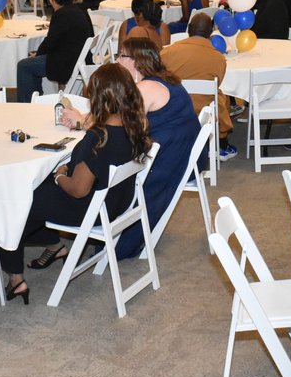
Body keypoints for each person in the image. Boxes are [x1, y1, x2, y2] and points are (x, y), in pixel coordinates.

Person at [0, 63, 153, 300]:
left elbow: (78, 189)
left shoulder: (98, 138)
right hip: (118, 202)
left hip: (89, 207)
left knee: (15, 200)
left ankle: (15, 277)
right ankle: (53, 245)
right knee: (34, 194)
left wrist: (59, 176)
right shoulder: (135, 127)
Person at [57, 37, 199, 259]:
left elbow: (116, 124)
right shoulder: (165, 79)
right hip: (180, 150)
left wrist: (80, 120)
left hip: (165, 161)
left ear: (137, 61)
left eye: (122, 55)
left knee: (98, 159)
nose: (117, 59)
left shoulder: (145, 88)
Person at [161, 12, 235, 159]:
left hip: (175, 108)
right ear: (210, 32)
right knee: (221, 95)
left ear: (189, 28)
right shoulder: (218, 58)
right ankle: (221, 143)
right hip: (205, 111)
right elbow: (218, 83)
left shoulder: (168, 51)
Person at [15, 0, 93, 101]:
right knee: (32, 64)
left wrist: (38, 54)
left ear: (53, 0)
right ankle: (36, 99)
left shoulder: (61, 14)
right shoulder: (79, 10)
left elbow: (50, 41)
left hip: (67, 63)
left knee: (24, 66)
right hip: (79, 57)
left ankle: (27, 103)